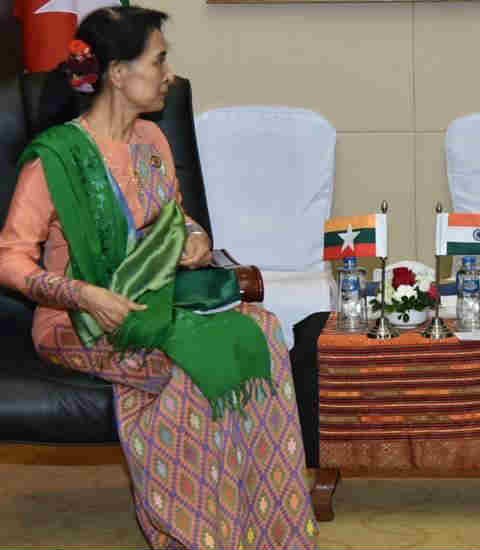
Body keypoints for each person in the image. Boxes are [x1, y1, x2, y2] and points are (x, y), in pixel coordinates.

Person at [0, 6, 317, 549]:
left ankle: (273, 531)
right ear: (118, 73)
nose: (169, 74)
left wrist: (194, 236)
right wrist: (84, 295)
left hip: (158, 303)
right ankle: (198, 536)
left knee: (262, 331)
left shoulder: (151, 140)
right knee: (190, 363)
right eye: (159, 60)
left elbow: (173, 216)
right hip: (78, 321)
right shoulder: (56, 159)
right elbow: (10, 258)